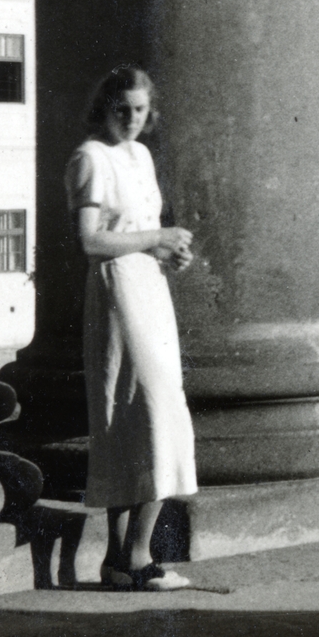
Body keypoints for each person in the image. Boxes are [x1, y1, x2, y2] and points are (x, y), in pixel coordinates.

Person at [66, 67, 198, 592]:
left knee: (142, 416)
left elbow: (139, 234)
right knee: (150, 414)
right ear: (105, 107)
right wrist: (156, 236)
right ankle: (139, 557)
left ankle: (119, 561)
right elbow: (90, 241)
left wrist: (168, 251)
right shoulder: (89, 158)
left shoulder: (140, 157)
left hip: (148, 287)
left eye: (140, 110)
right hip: (117, 291)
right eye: (122, 109)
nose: (131, 119)